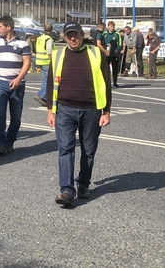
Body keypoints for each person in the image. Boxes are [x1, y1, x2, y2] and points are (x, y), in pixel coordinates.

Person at [45, 22, 111, 207]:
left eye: (76, 34)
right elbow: (50, 85)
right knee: (65, 148)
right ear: (65, 37)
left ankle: (83, 184)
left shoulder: (96, 53)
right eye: (69, 35)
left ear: (82, 35)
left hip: (92, 109)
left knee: (88, 150)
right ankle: (66, 190)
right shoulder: (57, 55)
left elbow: (106, 83)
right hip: (65, 109)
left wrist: (106, 111)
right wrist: (50, 110)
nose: (73, 38)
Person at [0, 15, 31, 155]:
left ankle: (10, 142)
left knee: (15, 116)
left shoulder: (23, 43)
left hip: (16, 85)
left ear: (8, 27)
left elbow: (27, 63)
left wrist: (18, 79)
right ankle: (0, 143)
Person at [33, 25, 54, 107]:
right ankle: (41, 95)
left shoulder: (40, 38)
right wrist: (52, 61)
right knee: (49, 81)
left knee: (45, 80)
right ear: (51, 31)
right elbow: (49, 51)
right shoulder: (49, 39)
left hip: (39, 61)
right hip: (46, 61)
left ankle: (44, 97)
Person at [99, 21, 123, 88]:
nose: (112, 28)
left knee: (115, 69)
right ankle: (106, 83)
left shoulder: (117, 34)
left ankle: (115, 83)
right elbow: (102, 43)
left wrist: (116, 50)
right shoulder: (104, 34)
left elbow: (120, 44)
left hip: (114, 54)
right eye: (111, 26)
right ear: (108, 26)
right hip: (106, 54)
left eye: (113, 26)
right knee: (106, 69)